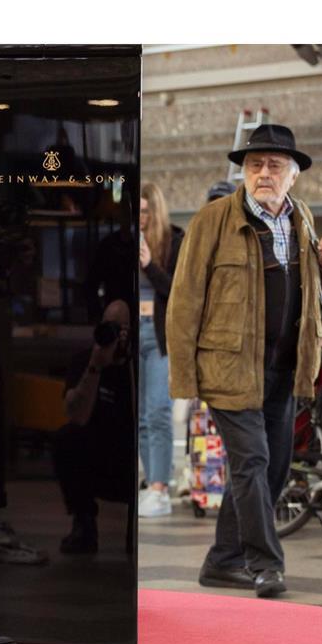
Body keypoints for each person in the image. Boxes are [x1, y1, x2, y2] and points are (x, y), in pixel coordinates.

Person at [168, 124, 322, 598]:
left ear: (293, 175)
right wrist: (184, 378)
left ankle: (222, 561)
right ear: (244, 171)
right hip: (228, 368)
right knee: (252, 461)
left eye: (275, 166)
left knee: (274, 468)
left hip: (283, 369)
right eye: (255, 165)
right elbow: (183, 301)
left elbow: (311, 300)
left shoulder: (301, 218)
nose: (264, 173)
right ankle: (265, 565)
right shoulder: (213, 220)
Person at [54, 301, 135, 553]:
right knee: (67, 438)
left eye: (121, 328)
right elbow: (76, 416)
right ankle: (84, 523)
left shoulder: (137, 365)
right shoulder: (84, 360)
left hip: (129, 460)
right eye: (109, 327)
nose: (114, 334)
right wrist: (96, 366)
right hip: (96, 459)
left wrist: (126, 359)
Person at [137, 182, 184, 517]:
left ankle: (160, 488)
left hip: (160, 335)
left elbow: (178, 291)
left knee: (158, 412)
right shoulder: (124, 238)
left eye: (144, 212)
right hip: (131, 334)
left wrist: (150, 265)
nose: (139, 218)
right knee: (139, 417)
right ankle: (149, 480)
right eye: (135, 211)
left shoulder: (175, 240)